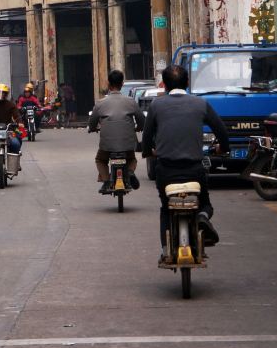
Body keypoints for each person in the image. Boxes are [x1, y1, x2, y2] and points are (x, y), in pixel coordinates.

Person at [142, 65, 229, 259]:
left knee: (166, 208)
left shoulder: (156, 105)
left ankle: (166, 250)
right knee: (205, 205)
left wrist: (149, 151)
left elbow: (147, 137)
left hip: (165, 170)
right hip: (194, 170)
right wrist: (223, 148)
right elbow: (221, 131)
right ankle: (202, 217)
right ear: (187, 82)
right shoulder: (201, 104)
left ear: (164, 85)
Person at [89, 70, 145, 194]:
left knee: (100, 160)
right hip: (127, 144)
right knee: (132, 159)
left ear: (109, 85)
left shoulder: (100, 103)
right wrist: (139, 127)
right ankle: (129, 172)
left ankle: (106, 181)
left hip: (107, 146)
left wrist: (92, 128)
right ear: (122, 84)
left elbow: (92, 121)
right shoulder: (131, 101)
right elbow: (141, 119)